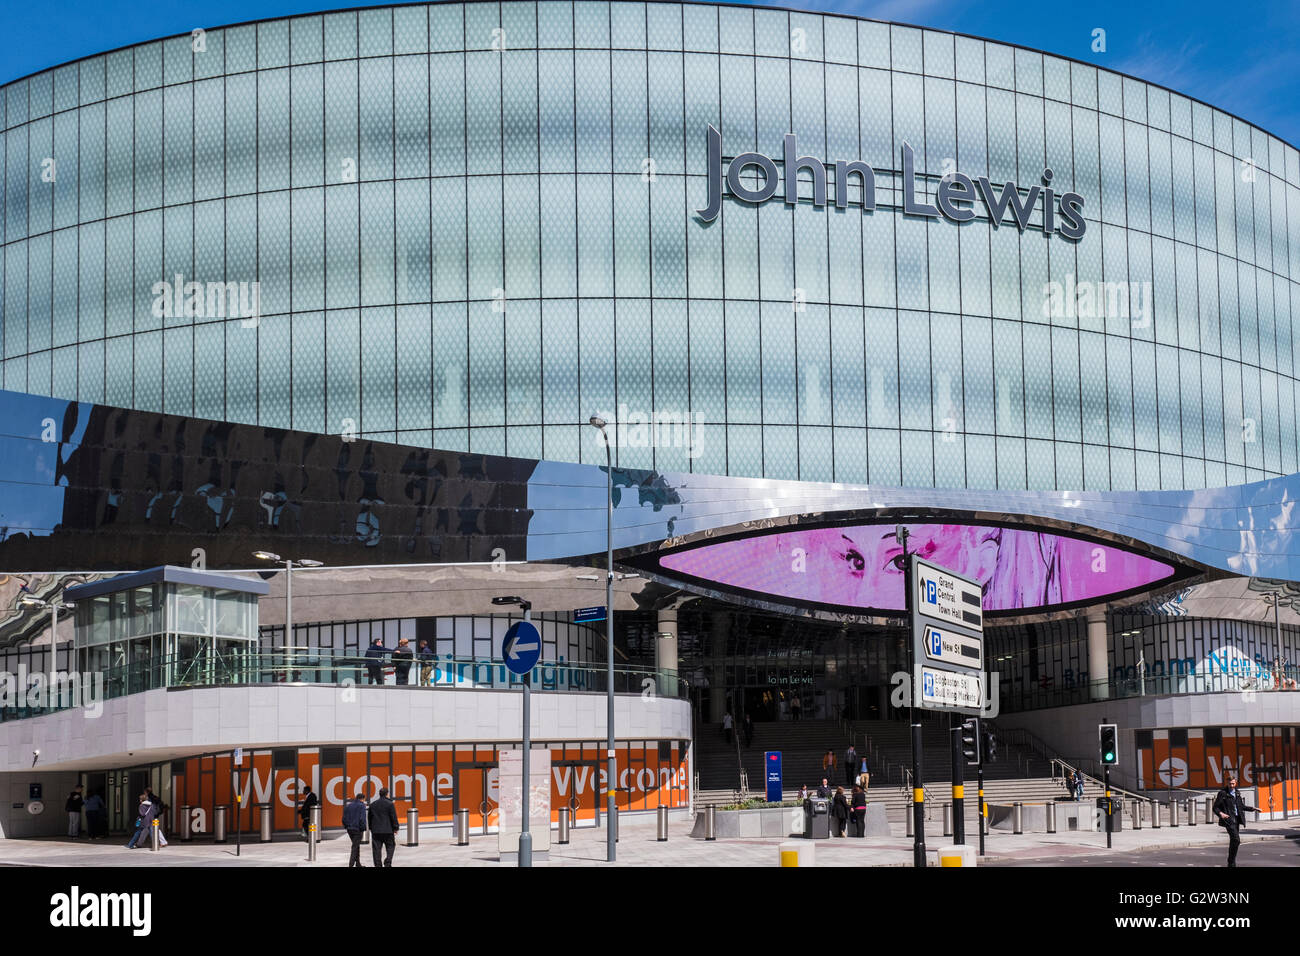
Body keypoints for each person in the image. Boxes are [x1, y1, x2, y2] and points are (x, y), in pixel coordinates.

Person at [1214, 773, 1258, 867]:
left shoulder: (1237, 792)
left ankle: (1231, 862)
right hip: (1229, 820)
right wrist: (1221, 814)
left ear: (1236, 783)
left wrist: (1252, 808)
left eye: (1233, 784)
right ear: (1227, 783)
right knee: (1236, 840)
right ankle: (1231, 861)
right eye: (1230, 784)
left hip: (1237, 820)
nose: (1231, 786)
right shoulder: (1223, 793)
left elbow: (1241, 806)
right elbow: (1215, 807)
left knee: (1234, 841)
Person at [369, 786, 399, 867]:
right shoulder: (390, 804)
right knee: (390, 846)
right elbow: (393, 817)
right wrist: (396, 828)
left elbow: (370, 818)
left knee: (376, 849)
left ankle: (378, 865)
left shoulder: (372, 804)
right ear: (387, 794)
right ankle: (387, 862)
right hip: (388, 830)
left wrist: (371, 828)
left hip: (376, 831)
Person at [342, 793, 368, 867]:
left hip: (350, 829)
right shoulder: (362, 805)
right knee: (355, 847)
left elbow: (344, 819)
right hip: (358, 829)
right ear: (362, 799)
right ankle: (351, 864)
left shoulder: (348, 805)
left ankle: (358, 864)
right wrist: (363, 828)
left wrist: (347, 826)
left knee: (356, 846)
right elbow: (362, 819)